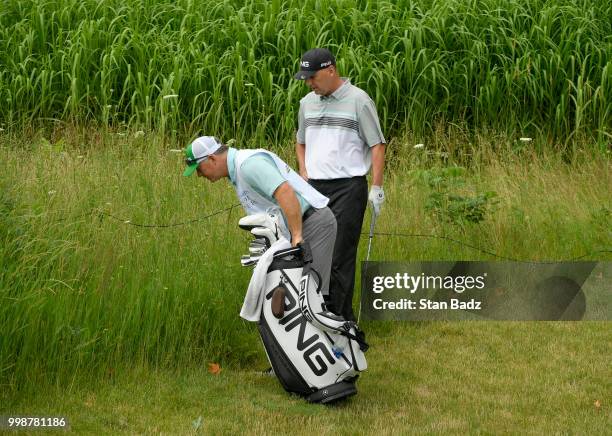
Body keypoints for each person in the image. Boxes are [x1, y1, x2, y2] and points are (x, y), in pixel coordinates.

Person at [183, 136, 337, 300]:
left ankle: (341, 324)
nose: (199, 175)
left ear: (212, 158)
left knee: (313, 297)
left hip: (312, 223)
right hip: (298, 227)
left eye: (199, 169)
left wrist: (298, 235)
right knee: (297, 298)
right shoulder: (237, 171)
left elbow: (285, 191)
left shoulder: (248, 165)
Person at [294, 48, 386, 321]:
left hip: (347, 188)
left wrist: (377, 188)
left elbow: (377, 145)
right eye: (306, 78)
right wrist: (303, 171)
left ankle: (342, 323)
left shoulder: (359, 100)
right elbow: (301, 141)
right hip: (313, 189)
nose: (310, 83)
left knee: (339, 259)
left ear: (331, 70)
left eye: (313, 77)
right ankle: (315, 318)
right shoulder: (306, 103)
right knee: (311, 257)